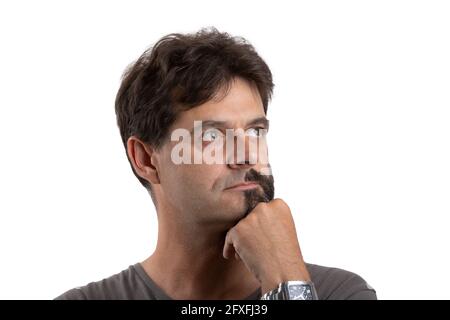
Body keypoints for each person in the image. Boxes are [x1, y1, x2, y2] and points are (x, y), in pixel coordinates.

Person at [55, 27, 376, 300]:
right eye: (212, 136)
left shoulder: (339, 292)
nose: (248, 155)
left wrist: (287, 284)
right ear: (146, 159)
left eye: (255, 130)